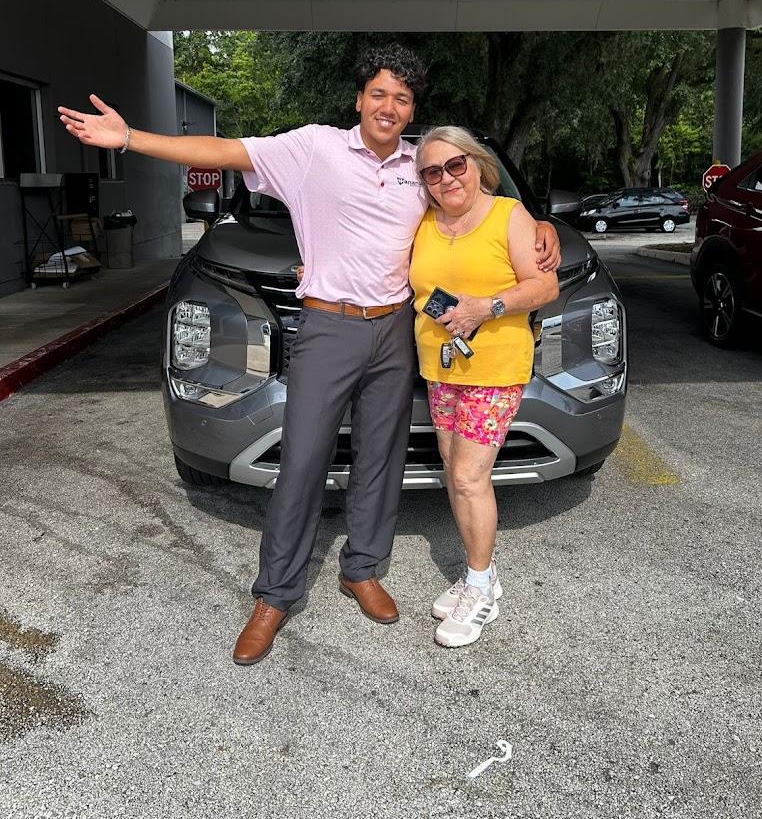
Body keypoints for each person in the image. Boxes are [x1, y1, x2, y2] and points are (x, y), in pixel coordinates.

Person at [57, 45, 561, 665]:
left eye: (402, 99)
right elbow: (225, 151)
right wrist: (130, 138)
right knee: (302, 461)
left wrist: (539, 226)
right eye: (379, 94)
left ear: (411, 111)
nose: (389, 107)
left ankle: (362, 569)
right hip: (328, 325)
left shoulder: (422, 168)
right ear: (360, 99)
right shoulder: (313, 148)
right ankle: (274, 595)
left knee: (380, 457)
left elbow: (477, 208)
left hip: (395, 330)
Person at [409, 126, 560, 648]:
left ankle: (480, 590)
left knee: (470, 476)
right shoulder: (424, 222)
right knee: (454, 471)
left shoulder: (508, 215)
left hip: (493, 368)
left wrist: (486, 307)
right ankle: (482, 575)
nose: (446, 178)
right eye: (433, 172)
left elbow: (545, 284)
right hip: (441, 366)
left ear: (476, 165)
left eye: (456, 165)